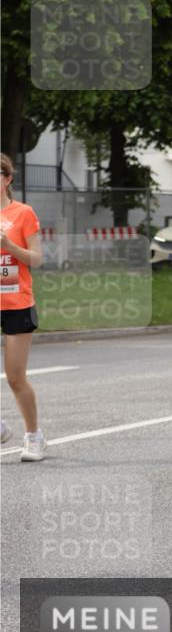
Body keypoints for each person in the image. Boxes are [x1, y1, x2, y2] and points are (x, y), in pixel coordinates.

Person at [0, 153, 46, 461]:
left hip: (16, 301)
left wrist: (10, 247)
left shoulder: (23, 213)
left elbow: (37, 259)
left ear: (7, 179)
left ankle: (34, 437)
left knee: (15, 377)